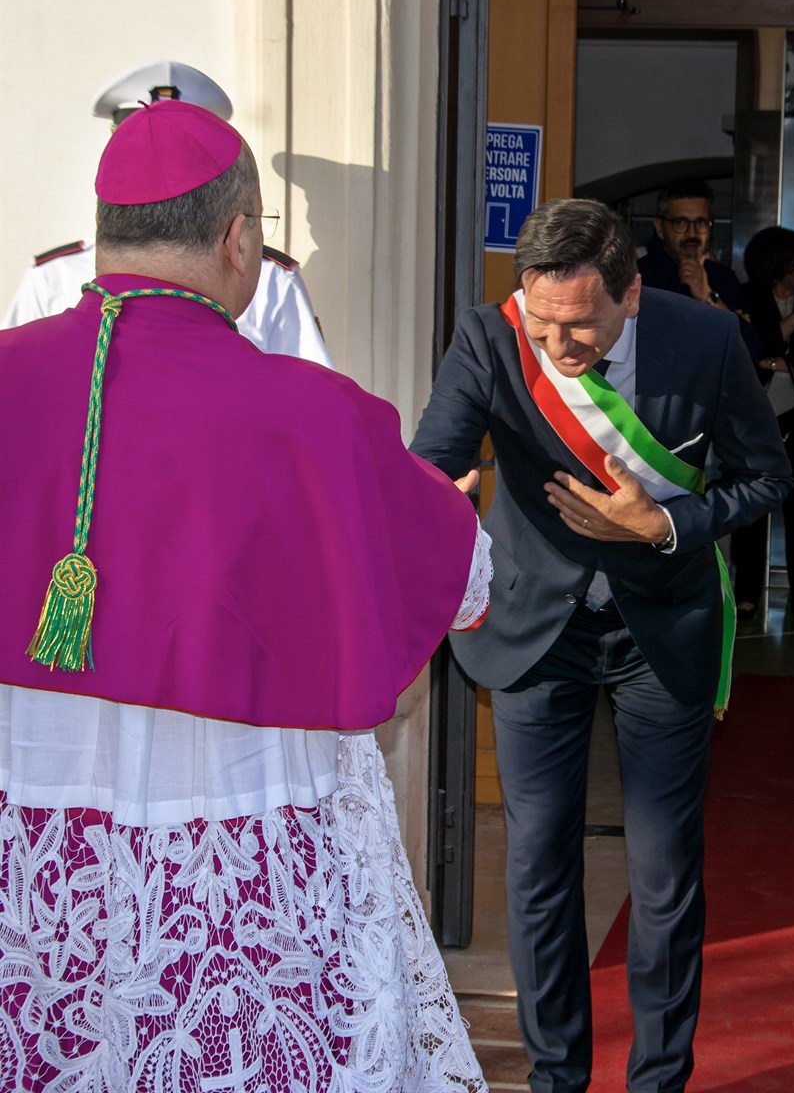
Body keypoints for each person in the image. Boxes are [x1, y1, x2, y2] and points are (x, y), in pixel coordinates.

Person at [0, 100, 492, 1092]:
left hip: (36, 831)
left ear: (104, 237)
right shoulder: (317, 415)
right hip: (238, 833)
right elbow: (468, 583)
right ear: (239, 240)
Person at [410, 198, 791, 1093]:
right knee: (541, 861)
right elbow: (435, 457)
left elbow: (766, 475)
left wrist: (661, 523)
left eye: (579, 327)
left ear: (631, 295)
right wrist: (439, 498)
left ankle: (658, 1080)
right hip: (537, 627)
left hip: (663, 623)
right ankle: (556, 1078)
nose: (557, 346)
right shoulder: (489, 337)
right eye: (542, 322)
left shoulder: (704, 340)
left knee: (662, 874)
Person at [2, 59, 332, 367]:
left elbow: (307, 397)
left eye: (184, 143)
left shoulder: (271, 279)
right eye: (138, 138)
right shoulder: (50, 277)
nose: (158, 155)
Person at [730, 225, 794, 619]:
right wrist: (777, 356)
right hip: (757, 412)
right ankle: (747, 593)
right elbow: (762, 347)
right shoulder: (752, 294)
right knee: (752, 505)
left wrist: (775, 360)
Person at [637, 177, 744, 312]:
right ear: (659, 228)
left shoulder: (724, 278)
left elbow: (745, 333)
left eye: (701, 222)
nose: (692, 233)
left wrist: (707, 296)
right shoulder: (639, 278)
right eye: (681, 223)